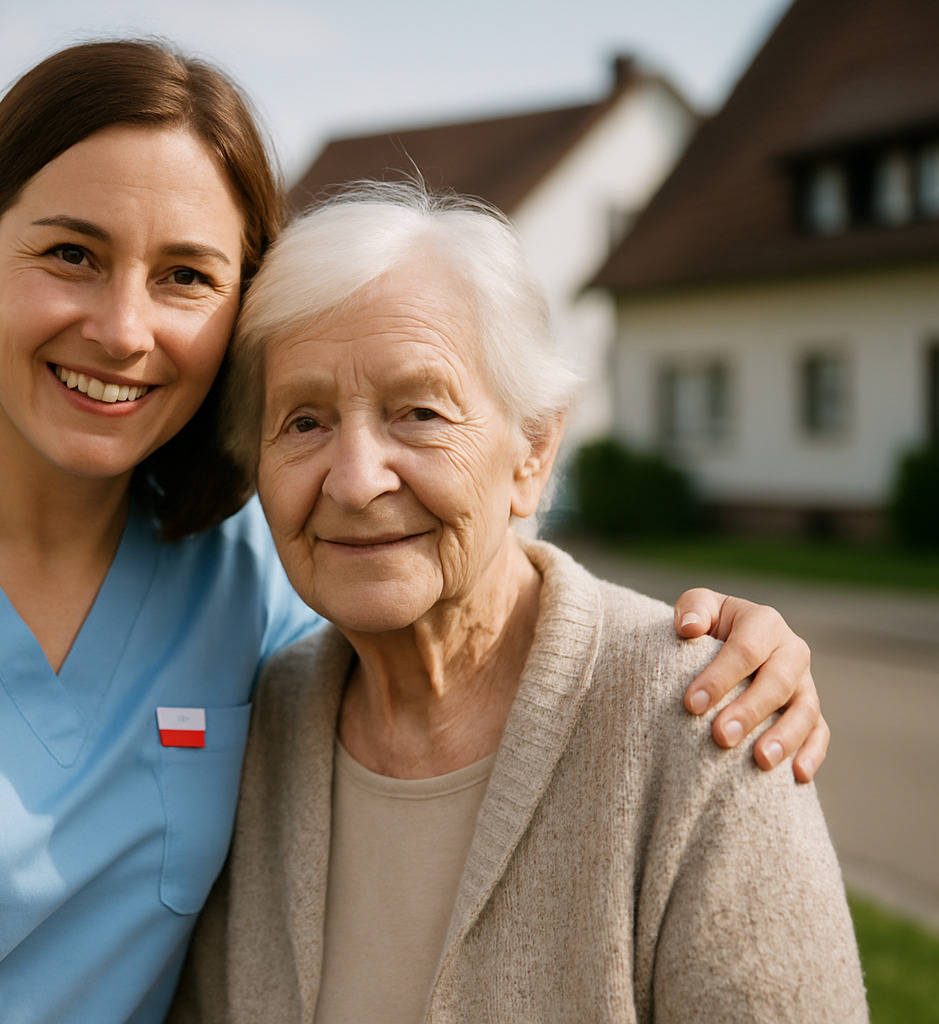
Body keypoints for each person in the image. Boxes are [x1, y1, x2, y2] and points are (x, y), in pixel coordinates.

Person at [0, 41, 831, 1024]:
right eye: (71, 254)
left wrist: (724, 644)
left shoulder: (263, 579)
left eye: (185, 275)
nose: (124, 329)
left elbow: (458, 575)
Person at [171, 183, 866, 1023]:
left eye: (418, 412)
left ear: (532, 450)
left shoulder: (704, 717)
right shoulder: (262, 727)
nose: (354, 481)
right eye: (304, 422)